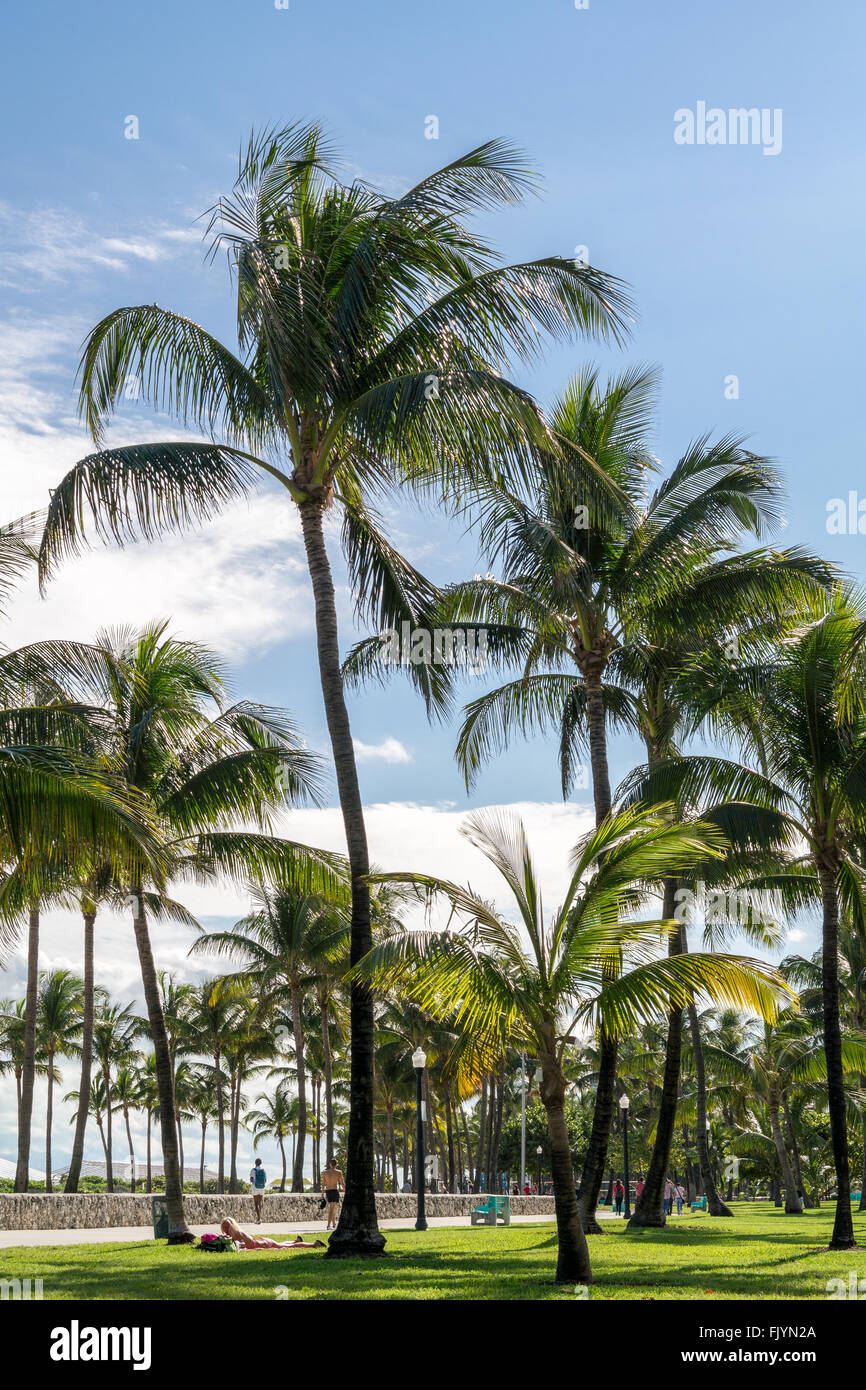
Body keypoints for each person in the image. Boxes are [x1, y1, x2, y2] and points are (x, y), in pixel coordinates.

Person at [220, 1217, 324, 1251]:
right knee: (282, 1244)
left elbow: (241, 1248)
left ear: (231, 1226)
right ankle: (296, 1241)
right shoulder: (235, 1234)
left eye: (226, 1226)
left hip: (263, 1243)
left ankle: (314, 1244)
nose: (225, 1229)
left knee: (288, 1246)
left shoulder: (238, 1234)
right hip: (262, 1241)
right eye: (223, 1227)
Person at [320, 1157, 344, 1230]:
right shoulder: (339, 1172)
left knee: (332, 1208)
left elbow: (323, 1184)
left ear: (330, 1164)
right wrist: (346, 1190)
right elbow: (342, 1183)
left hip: (328, 1191)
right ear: (336, 1165)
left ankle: (334, 1224)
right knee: (331, 1209)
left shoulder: (325, 1172)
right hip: (334, 1191)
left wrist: (322, 1194)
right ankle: (328, 1226)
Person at [249, 1157, 267, 1222]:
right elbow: (265, 1180)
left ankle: (258, 1218)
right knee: (260, 1202)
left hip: (255, 1187)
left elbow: (251, 1180)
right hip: (262, 1188)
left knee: (256, 1203)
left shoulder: (253, 1170)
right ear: (261, 1163)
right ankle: (260, 1217)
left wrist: (253, 1181)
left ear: (255, 1163)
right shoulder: (263, 1170)